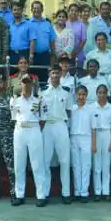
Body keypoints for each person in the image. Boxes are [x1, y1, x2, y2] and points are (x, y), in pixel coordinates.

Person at [10, 75, 47, 207]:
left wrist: (35, 129)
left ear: (32, 84)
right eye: (24, 82)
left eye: (28, 82)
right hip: (20, 131)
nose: (26, 85)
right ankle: (19, 195)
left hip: (34, 130)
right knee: (19, 164)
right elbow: (14, 118)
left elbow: (43, 119)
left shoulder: (39, 99)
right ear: (20, 83)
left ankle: (41, 195)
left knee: (37, 164)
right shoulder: (14, 100)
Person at [39, 68, 72, 204]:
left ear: (60, 75)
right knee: (45, 161)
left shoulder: (66, 91)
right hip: (47, 126)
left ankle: (66, 193)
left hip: (60, 124)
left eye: (57, 73)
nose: (55, 75)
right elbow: (39, 110)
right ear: (49, 75)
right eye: (53, 73)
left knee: (65, 160)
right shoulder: (42, 91)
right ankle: (44, 193)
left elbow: (69, 111)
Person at [68, 85, 98, 202]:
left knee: (86, 166)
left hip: (87, 138)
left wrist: (94, 145)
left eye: (83, 94)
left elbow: (94, 129)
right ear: (76, 95)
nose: (81, 97)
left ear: (87, 95)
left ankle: (84, 192)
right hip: (74, 137)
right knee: (76, 165)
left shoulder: (91, 109)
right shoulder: (72, 109)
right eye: (79, 94)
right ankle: (77, 191)